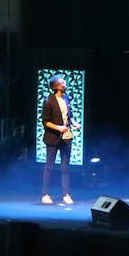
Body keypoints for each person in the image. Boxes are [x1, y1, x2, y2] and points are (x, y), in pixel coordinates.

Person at [40, 74, 79, 205]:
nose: (65, 84)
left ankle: (66, 194)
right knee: (49, 166)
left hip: (66, 138)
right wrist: (59, 128)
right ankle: (45, 194)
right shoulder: (48, 101)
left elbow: (70, 116)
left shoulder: (66, 98)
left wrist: (74, 124)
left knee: (65, 167)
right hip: (52, 138)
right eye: (63, 82)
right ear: (57, 86)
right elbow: (45, 122)